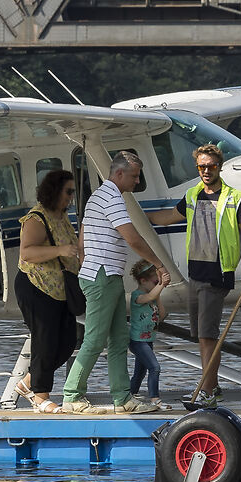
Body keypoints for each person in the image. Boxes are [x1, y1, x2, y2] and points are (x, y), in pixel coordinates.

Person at [149, 143, 241, 409]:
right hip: (195, 274)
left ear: (219, 167)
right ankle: (214, 386)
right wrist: (136, 215)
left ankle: (207, 391)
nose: (206, 171)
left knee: (208, 336)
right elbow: (167, 218)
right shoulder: (192, 195)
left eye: (211, 166)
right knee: (200, 335)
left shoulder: (235, 198)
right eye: (201, 167)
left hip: (218, 273)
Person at [62, 151, 167, 413]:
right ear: (119, 174)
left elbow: (83, 238)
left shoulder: (99, 197)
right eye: (134, 176)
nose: (137, 181)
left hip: (107, 274)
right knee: (96, 339)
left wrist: (88, 263)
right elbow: (133, 238)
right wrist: (159, 264)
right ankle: (72, 396)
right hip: (102, 275)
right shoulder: (111, 198)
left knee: (119, 338)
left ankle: (123, 399)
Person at [9, 169, 81, 414]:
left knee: (68, 342)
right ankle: (40, 397)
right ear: (55, 190)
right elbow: (27, 252)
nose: (71, 197)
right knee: (45, 341)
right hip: (36, 286)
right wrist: (60, 250)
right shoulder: (36, 218)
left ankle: (28, 382)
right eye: (68, 191)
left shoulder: (60, 215)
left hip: (59, 289)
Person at [127, 259, 169, 408]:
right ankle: (155, 399)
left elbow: (162, 315)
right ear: (143, 281)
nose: (157, 285)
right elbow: (148, 297)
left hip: (148, 339)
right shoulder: (136, 296)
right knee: (154, 367)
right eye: (154, 282)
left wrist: (157, 294)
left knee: (140, 372)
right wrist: (161, 285)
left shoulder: (153, 298)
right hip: (137, 341)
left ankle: (129, 396)